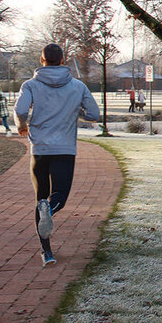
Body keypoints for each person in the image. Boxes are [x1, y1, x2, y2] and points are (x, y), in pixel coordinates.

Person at [14, 44, 101, 267]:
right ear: (63, 61)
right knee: (58, 195)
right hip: (65, 149)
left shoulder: (30, 85)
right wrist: (73, 112)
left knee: (40, 197)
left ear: (41, 60)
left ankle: (47, 252)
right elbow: (94, 114)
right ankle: (50, 210)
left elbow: (21, 111)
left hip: (40, 149)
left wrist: (22, 125)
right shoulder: (78, 86)